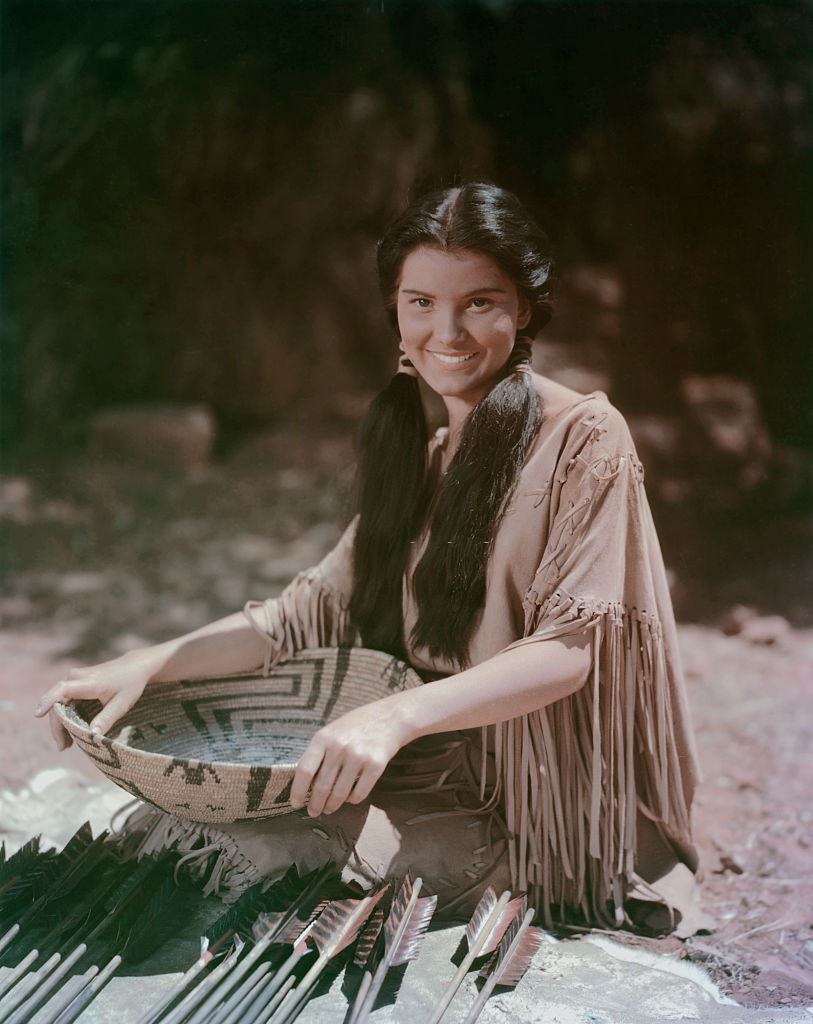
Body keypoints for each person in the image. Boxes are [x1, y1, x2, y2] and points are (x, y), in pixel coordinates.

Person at [34, 182, 703, 933]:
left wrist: (390, 720)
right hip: (424, 759)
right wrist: (146, 665)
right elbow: (299, 618)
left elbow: (566, 654)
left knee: (280, 862)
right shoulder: (426, 451)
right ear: (394, 309)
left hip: (532, 796)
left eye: (479, 302)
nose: (445, 330)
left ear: (524, 311)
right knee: (205, 833)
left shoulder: (583, 437)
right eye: (419, 302)